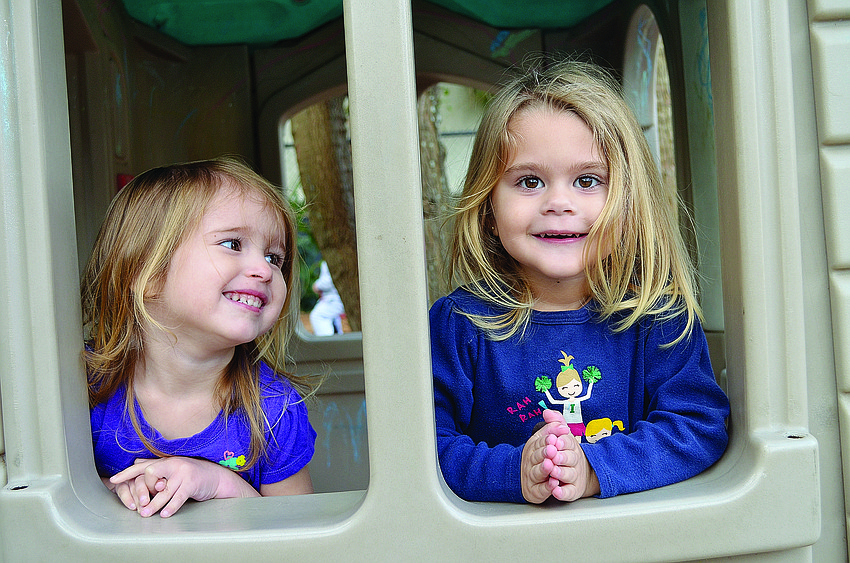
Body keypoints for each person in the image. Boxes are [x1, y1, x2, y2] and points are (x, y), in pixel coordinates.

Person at [430, 59, 730, 504]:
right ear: (488, 209)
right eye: (529, 181)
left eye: (588, 180)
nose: (558, 202)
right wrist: (516, 472)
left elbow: (697, 424)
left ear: (628, 204)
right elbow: (425, 448)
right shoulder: (459, 324)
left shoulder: (659, 320)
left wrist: (594, 468)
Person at [82, 156, 318, 518]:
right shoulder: (86, 387)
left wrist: (222, 484)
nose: (264, 270)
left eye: (274, 257)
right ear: (146, 271)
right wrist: (117, 490)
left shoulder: (274, 409)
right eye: (233, 244)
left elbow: (300, 535)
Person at [309, 261, 345, 336]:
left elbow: (330, 280)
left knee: (318, 315)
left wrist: (317, 285)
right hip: (331, 298)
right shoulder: (328, 260)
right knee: (333, 319)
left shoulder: (335, 258)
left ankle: (328, 343)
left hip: (336, 298)